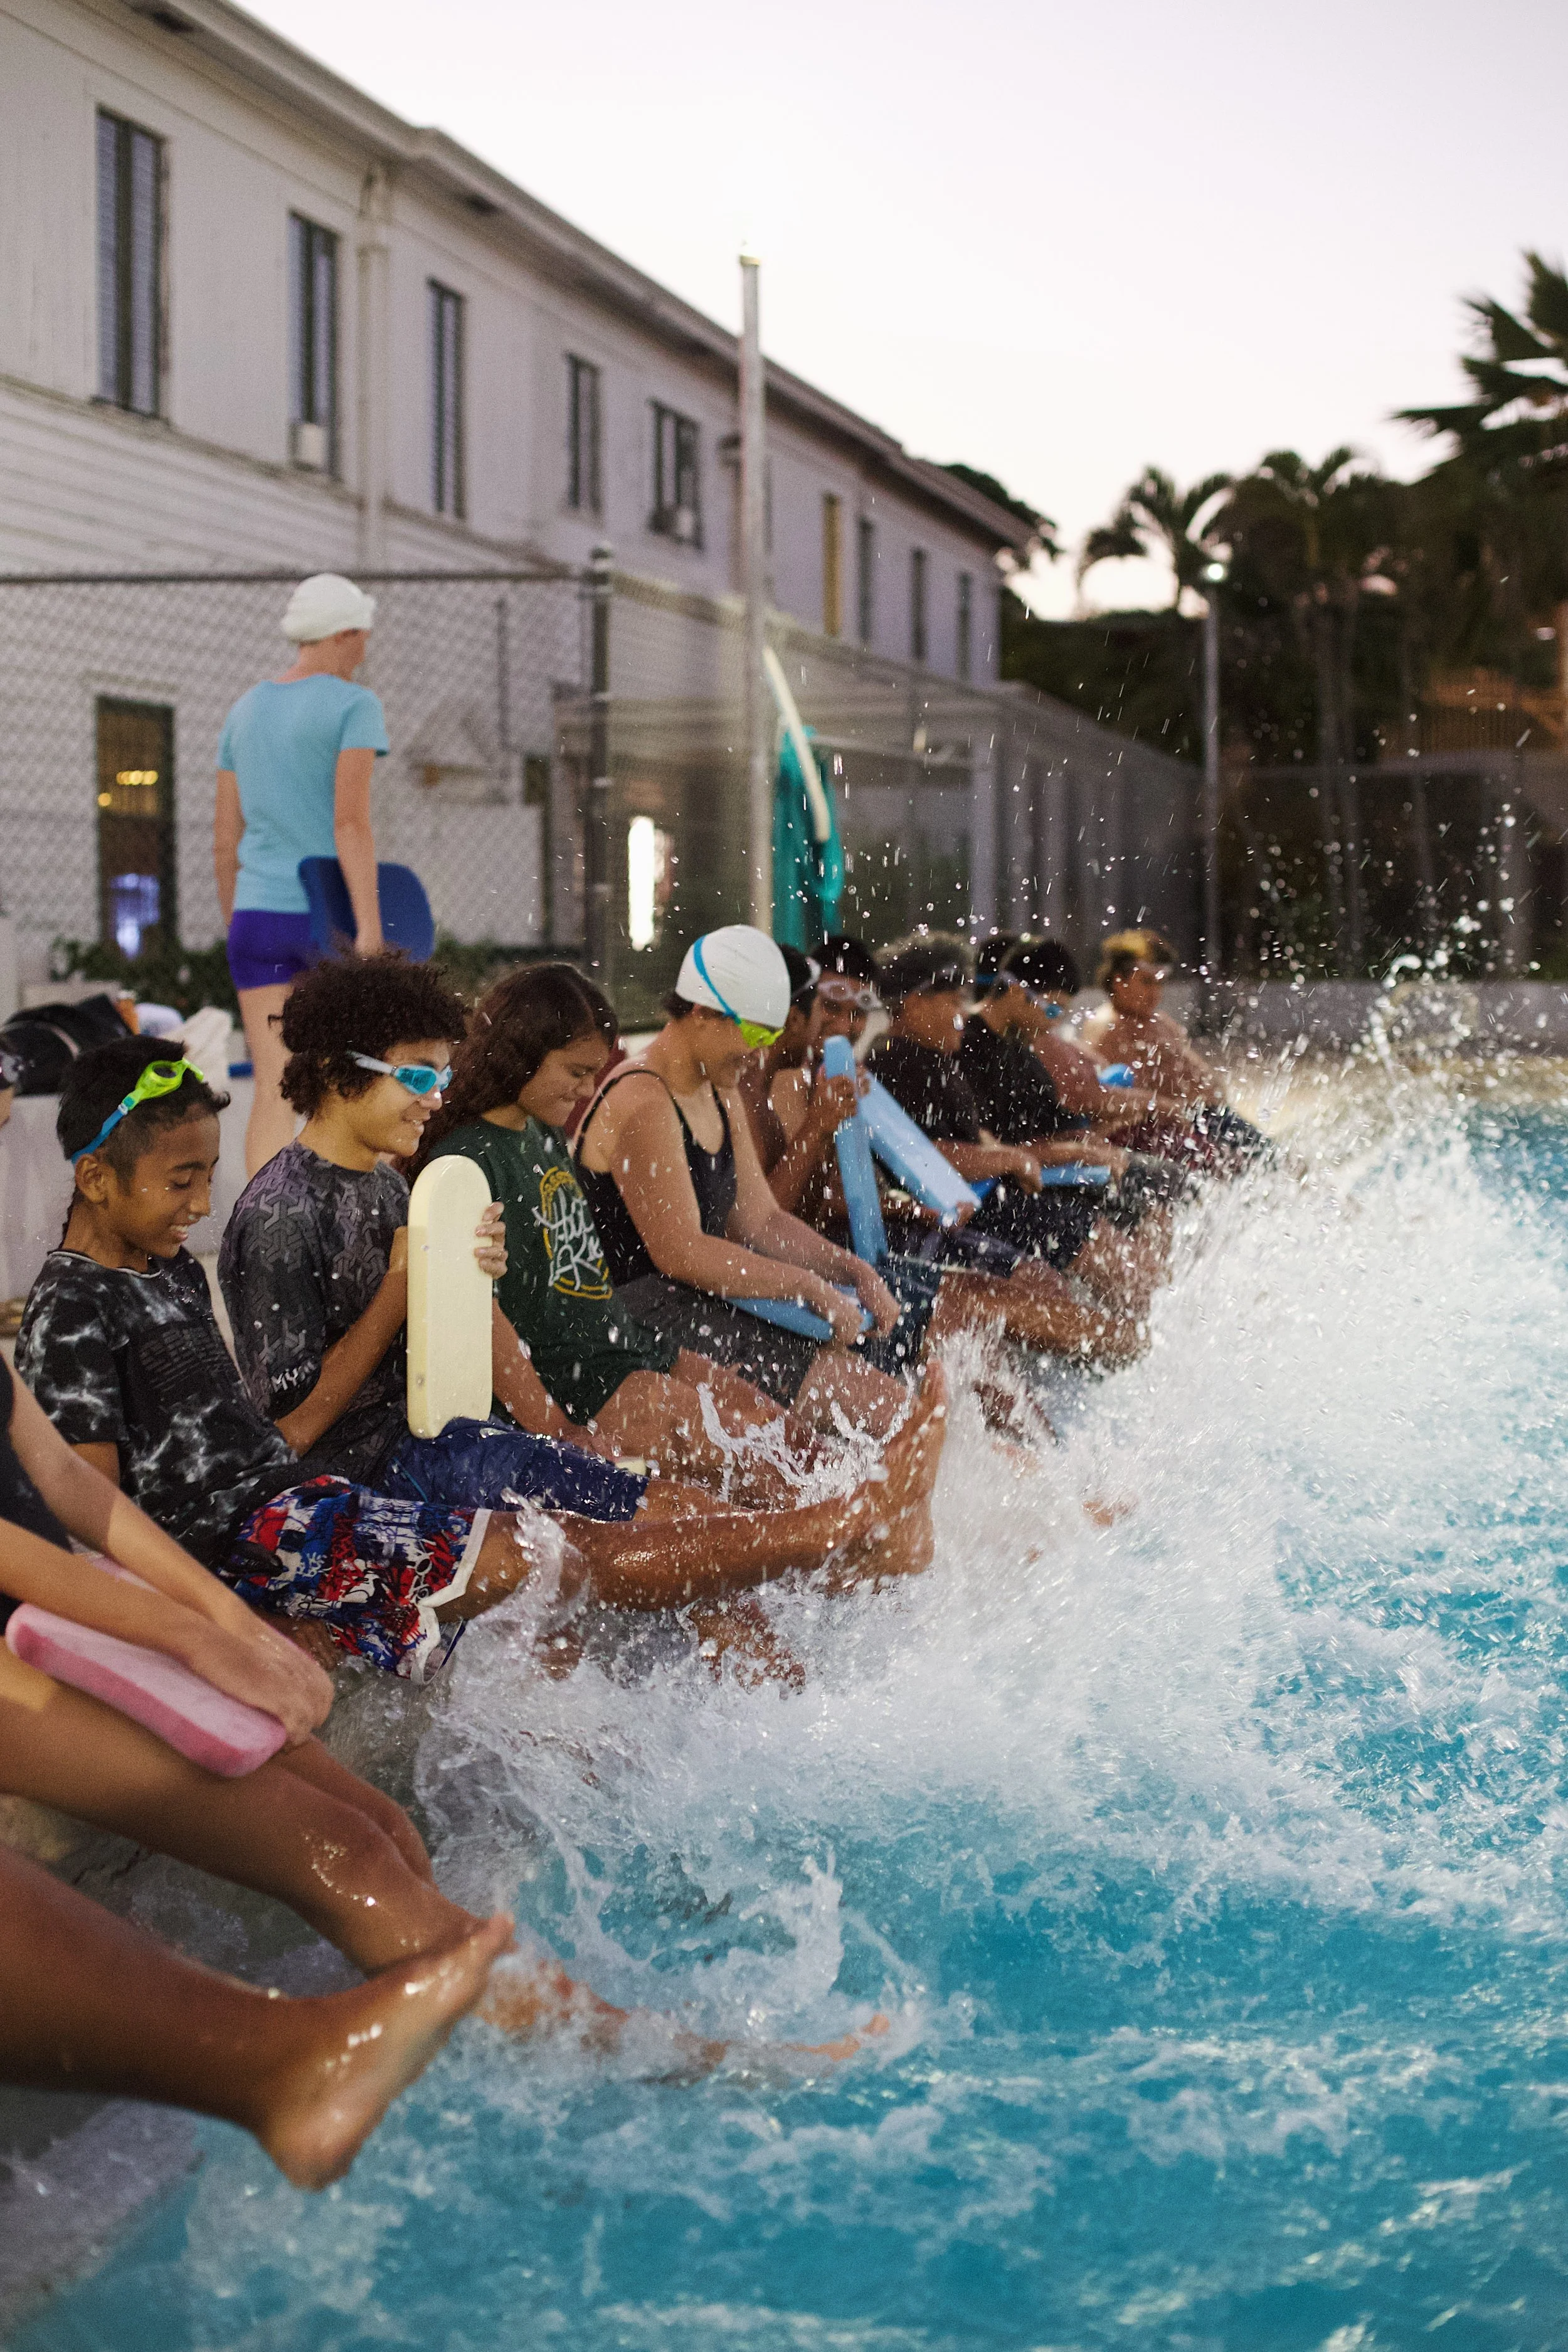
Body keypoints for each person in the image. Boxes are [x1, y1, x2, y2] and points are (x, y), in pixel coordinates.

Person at [17, 1035, 941, 1683]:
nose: (198, 1204)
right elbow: (96, 1502)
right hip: (270, 1530)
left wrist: (464, 1274)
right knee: (555, 1556)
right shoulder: (77, 1303)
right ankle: (847, 1521)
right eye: (180, 1181)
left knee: (608, 1528)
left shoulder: (168, 1268)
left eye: (203, 1177)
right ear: (95, 1178)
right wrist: (209, 1619)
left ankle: (840, 1576)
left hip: (305, 1504)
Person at [412, 960, 850, 1500]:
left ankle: (875, 1536)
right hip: (576, 1376)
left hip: (626, 1344)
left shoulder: (541, 1133)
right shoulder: (468, 1161)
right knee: (774, 1475)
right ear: (519, 1055)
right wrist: (551, 1425)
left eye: (594, 1072)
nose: (588, 1090)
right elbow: (480, 1311)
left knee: (794, 1442)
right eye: (576, 1072)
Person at [575, 928, 918, 1438]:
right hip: (637, 1321)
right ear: (704, 1013)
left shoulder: (718, 1087)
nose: (762, 1054)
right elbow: (682, 1252)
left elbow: (760, 1218)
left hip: (696, 1301)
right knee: (880, 1418)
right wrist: (810, 1288)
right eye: (757, 1034)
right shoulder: (643, 1099)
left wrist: (853, 1272)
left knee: (894, 1405)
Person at [756, 935, 1140, 1367]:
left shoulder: (837, 1077)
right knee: (998, 1300)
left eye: (858, 1012)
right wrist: (824, 1130)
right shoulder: (864, 1069)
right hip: (839, 1251)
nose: (847, 1025)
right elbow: (776, 1219)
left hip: (903, 1223)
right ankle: (1144, 1359)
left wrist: (905, 1206)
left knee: (1024, 1291)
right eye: (830, 1007)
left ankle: (1138, 1361)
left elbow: (829, 1194)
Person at [867, 935, 1165, 1322]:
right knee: (1097, 1257)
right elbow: (927, 1156)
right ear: (913, 1001)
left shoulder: (932, 1056)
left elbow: (972, 1136)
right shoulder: (899, 1064)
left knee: (1118, 1235)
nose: (964, 1012)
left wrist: (1017, 1155)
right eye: (954, 1001)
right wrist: (1012, 1158)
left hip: (991, 1195)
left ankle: (1140, 1328)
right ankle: (1139, 1337)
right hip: (970, 1207)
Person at [215, 573, 388, 1175]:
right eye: (363, 636)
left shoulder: (245, 708)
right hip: (326, 920)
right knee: (350, 1082)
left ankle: (259, 1234)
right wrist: (369, 929)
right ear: (342, 635)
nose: (366, 649)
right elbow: (351, 826)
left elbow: (224, 839)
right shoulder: (354, 705)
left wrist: (237, 922)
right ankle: (345, 1226)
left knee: (272, 1087)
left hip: (258, 916)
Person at [1090, 930, 1272, 1176]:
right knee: (1246, 1170)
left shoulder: (1158, 1021)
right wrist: (1172, 1114)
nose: (1156, 993)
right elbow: (1106, 1101)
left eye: (1160, 983)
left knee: (1277, 1165)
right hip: (1157, 1131)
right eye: (1146, 981)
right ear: (1119, 981)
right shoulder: (1108, 1028)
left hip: (1202, 1119)